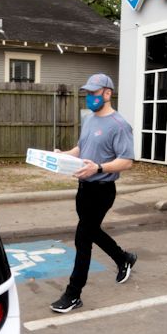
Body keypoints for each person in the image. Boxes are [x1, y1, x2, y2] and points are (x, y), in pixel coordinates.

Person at [50, 73, 137, 313]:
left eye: (94, 93)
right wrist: (63, 154)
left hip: (102, 190)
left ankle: (73, 294)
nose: (90, 98)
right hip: (83, 188)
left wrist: (98, 167)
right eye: (88, 93)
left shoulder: (120, 125)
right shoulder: (89, 119)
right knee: (92, 231)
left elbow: (126, 161)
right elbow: (82, 148)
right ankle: (123, 258)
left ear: (107, 93)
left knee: (83, 238)